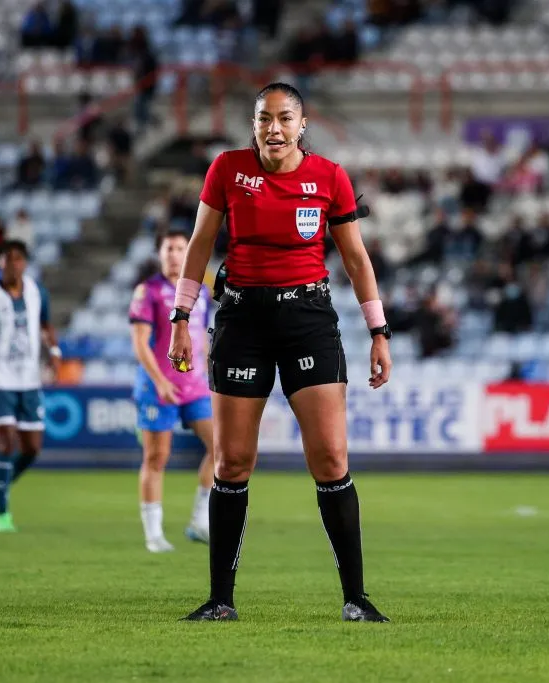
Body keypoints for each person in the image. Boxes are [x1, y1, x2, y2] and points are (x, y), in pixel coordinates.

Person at [167, 83, 393, 622]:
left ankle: (356, 598)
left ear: (301, 124)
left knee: (331, 459)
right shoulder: (226, 168)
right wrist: (181, 318)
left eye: (284, 118)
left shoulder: (331, 177)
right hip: (242, 319)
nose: (273, 127)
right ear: (253, 124)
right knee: (232, 462)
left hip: (308, 322)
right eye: (264, 118)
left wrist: (379, 330)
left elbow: (357, 260)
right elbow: (200, 246)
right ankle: (221, 600)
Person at [129, 228, 215, 553]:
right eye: (169, 249)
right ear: (160, 254)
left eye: (181, 248)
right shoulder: (147, 291)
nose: (175, 254)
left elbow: (201, 338)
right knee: (156, 457)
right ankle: (153, 534)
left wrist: (205, 370)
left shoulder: (201, 293)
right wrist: (160, 381)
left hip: (193, 387)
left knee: (220, 449)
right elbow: (140, 343)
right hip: (157, 389)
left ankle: (199, 521)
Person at [0, 240, 61, 532]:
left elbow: (46, 324)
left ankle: (1, 481)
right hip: (0, 376)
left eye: (18, 259)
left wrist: (55, 351)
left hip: (29, 378)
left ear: (24, 262)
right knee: (7, 443)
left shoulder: (36, 292)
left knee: (33, 448)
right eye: (6, 259)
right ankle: (2, 513)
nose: (12, 264)